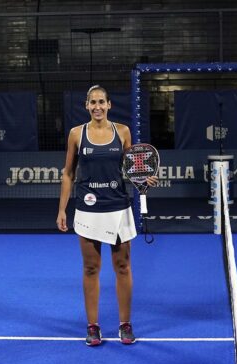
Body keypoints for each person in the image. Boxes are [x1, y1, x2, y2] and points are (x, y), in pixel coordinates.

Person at [57, 85, 155, 347]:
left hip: (118, 208)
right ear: (87, 106)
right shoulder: (76, 134)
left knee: (122, 266)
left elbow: (132, 168)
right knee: (91, 268)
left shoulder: (122, 131)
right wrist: (62, 209)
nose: (97, 106)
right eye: (93, 102)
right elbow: (68, 173)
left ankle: (125, 324)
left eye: (102, 102)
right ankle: (93, 326)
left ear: (109, 104)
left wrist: (142, 179)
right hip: (88, 209)